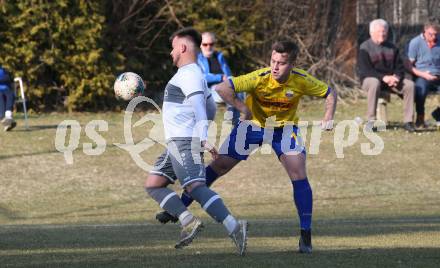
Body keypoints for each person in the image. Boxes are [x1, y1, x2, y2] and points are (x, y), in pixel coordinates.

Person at [157, 40, 337, 254]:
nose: (276, 67)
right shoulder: (259, 78)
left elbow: (329, 93)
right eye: (273, 61)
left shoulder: (301, 80)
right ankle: (180, 205)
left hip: (284, 130)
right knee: (220, 165)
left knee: (299, 173)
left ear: (292, 64)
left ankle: (305, 235)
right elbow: (222, 88)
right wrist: (243, 108)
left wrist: (328, 116)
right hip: (251, 127)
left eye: (282, 62)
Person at [144, 27, 247, 256]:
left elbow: (201, 107)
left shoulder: (189, 74)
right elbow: (210, 107)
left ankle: (235, 227)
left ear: (182, 47)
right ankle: (187, 220)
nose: (171, 53)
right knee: (153, 184)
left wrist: (201, 137)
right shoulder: (192, 74)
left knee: (195, 187)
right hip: (176, 142)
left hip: (184, 141)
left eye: (173, 48)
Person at [357, 19, 415, 132]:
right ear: (371, 32)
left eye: (384, 31)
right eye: (379, 31)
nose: (382, 34)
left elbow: (400, 67)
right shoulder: (365, 47)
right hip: (370, 81)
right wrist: (384, 77)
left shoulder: (393, 47)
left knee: (410, 85)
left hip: (391, 81)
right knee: (374, 82)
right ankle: (371, 121)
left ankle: (408, 122)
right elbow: (366, 70)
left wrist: (397, 77)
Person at [197, 32, 243, 126]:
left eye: (211, 44)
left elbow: (228, 74)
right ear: (200, 45)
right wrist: (220, 77)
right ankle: (233, 120)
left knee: (239, 87)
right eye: (205, 44)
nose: (208, 47)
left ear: (214, 44)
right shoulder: (197, 59)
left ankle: (236, 123)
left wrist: (231, 79)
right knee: (231, 90)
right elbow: (201, 77)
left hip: (225, 88)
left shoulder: (220, 57)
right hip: (209, 92)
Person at [406, 18, 440, 128]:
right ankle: (420, 119)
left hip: (438, 74)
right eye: (431, 34)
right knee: (421, 90)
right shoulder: (415, 43)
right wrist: (423, 74)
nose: (434, 37)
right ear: (424, 30)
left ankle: (438, 114)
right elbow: (409, 65)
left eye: (436, 34)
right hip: (422, 75)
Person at [0, 65, 17, 131]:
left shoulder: (4, 69)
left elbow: (10, 79)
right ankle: (7, 121)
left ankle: (8, 116)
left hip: (7, 89)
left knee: (10, 96)